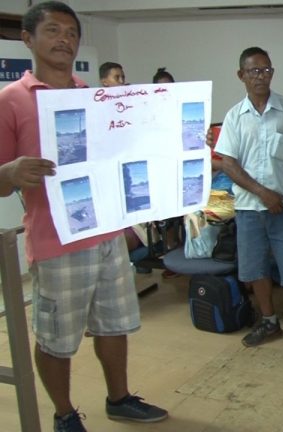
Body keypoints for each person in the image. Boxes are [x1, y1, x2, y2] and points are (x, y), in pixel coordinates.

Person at [0, 3, 168, 431]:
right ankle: (64, 414)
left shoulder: (93, 96)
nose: (64, 39)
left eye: (72, 32)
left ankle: (119, 399)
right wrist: (9, 173)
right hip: (56, 242)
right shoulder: (10, 100)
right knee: (56, 338)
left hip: (107, 233)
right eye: (53, 30)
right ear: (27, 38)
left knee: (114, 326)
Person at [214, 46, 283, 365]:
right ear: (241, 75)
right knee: (255, 270)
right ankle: (269, 321)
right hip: (250, 209)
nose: (261, 76)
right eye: (254, 71)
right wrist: (263, 193)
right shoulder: (234, 117)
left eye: (266, 70)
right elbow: (228, 164)